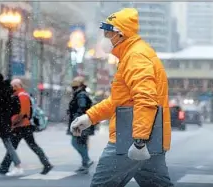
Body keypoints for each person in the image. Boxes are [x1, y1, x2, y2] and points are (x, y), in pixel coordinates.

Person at [70, 8, 174, 187]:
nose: (104, 38)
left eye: (107, 33)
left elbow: (145, 98)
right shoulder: (131, 55)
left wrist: (139, 141)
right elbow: (119, 101)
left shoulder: (136, 56)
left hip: (129, 137)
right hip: (148, 137)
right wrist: (90, 117)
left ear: (119, 34)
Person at [0, 79, 53, 175]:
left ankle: (47, 164)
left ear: (17, 86)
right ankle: (4, 166)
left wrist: (15, 122)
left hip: (23, 126)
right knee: (16, 146)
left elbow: (23, 112)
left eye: (12, 86)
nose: (11, 88)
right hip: (21, 126)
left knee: (29, 145)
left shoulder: (22, 95)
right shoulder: (19, 95)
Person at [67, 76, 95, 174]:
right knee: (81, 142)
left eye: (75, 85)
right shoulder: (80, 94)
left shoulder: (81, 95)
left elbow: (82, 108)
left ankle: (87, 160)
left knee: (76, 142)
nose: (73, 87)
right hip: (82, 122)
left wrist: (76, 120)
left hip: (80, 123)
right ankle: (85, 163)